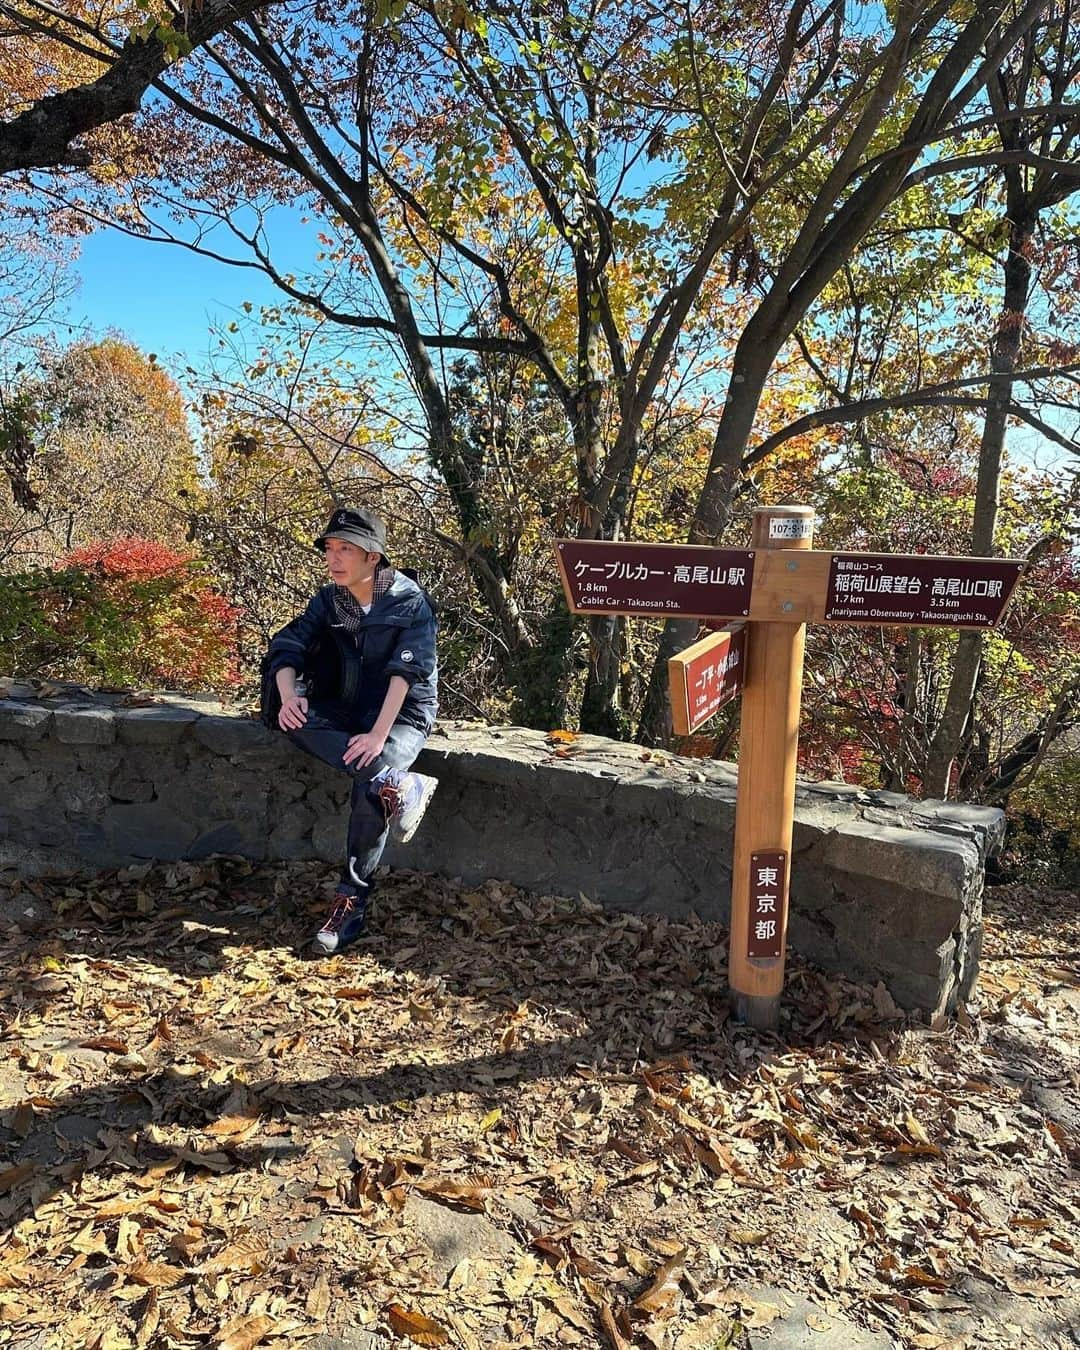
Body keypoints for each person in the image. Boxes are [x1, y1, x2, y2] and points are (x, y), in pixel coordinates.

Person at [264, 506, 439, 954]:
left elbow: (407, 675)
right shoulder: (330, 600)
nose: (335, 559)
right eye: (330, 548)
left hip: (401, 716)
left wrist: (379, 737)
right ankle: (396, 784)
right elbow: (288, 645)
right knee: (290, 720)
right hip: (345, 708)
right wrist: (290, 695)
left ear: (374, 557)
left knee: (369, 775)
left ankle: (351, 900)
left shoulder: (407, 601)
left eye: (347, 550)